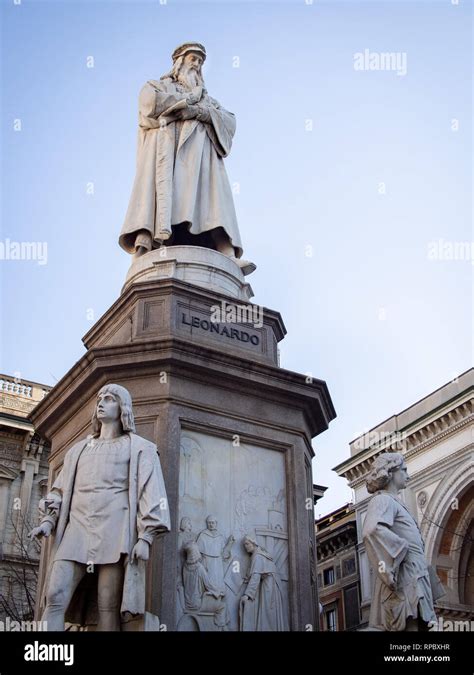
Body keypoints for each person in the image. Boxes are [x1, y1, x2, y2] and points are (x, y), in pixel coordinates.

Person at [29, 384, 170, 631]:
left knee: (107, 605)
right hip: (77, 530)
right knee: (54, 596)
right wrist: (48, 521)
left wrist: (146, 537)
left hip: (114, 531)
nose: (102, 403)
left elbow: (152, 492)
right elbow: (58, 491)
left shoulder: (139, 448)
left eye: (110, 399)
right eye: (100, 399)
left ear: (123, 408)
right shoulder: (77, 450)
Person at [118, 42, 255, 275]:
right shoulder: (157, 85)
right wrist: (186, 103)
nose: (197, 64)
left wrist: (199, 111)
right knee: (155, 202)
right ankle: (144, 250)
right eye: (193, 59)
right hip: (166, 157)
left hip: (202, 162)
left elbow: (229, 122)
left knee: (212, 199)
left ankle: (227, 253)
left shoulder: (206, 99)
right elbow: (150, 105)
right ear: (179, 61)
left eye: (201, 62)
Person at [362, 452, 443, 631]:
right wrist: (400, 549)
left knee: (417, 624)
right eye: (404, 470)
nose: (408, 475)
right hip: (405, 575)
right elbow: (372, 530)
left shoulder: (395, 502)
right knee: (410, 625)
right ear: (390, 473)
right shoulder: (382, 499)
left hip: (415, 573)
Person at [240, 535, 288, 631]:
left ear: (253, 543)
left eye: (247, 544)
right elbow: (254, 573)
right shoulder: (258, 554)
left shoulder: (258, 556)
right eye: (244, 544)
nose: (246, 546)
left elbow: (255, 577)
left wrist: (247, 594)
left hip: (270, 585)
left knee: (268, 613)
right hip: (270, 583)